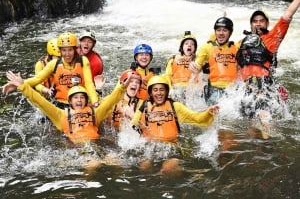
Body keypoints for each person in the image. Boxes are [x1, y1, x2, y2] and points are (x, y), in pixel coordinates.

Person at [3, 70, 136, 144]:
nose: (79, 100)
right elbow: (41, 102)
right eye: (76, 98)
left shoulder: (95, 112)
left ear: (86, 100)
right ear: (70, 101)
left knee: (116, 162)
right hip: (76, 148)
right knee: (93, 164)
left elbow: (112, 100)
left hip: (95, 144)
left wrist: (122, 87)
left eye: (82, 97)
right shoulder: (60, 114)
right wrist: (23, 86)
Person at [130, 75, 219, 174]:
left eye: (162, 90)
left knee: (168, 170)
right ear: (150, 92)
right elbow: (133, 125)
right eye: (155, 90)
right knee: (144, 167)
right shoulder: (144, 107)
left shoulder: (175, 106)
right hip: (151, 148)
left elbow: (197, 118)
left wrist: (208, 112)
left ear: (166, 92)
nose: (159, 93)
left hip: (172, 147)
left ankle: (191, 173)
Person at [236, 0, 300, 120]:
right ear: (251, 24)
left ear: (267, 24)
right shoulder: (241, 43)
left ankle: (272, 137)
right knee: (250, 129)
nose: (258, 23)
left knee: (264, 117)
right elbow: (235, 68)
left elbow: (288, 14)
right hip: (243, 89)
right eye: (255, 21)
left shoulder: (273, 37)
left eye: (261, 21)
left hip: (262, 85)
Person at [2, 32, 99, 109]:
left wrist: (95, 102)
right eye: (64, 50)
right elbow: (37, 79)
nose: (67, 54)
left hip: (79, 103)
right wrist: (17, 85)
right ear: (60, 51)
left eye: (70, 50)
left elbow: (89, 83)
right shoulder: (53, 64)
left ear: (75, 50)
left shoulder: (83, 61)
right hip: (60, 104)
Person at [189, 17, 239, 106]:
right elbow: (197, 65)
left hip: (232, 90)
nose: (221, 33)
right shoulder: (207, 47)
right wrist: (193, 66)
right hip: (214, 89)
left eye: (224, 30)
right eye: (218, 30)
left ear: (230, 33)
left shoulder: (236, 46)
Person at [165, 31, 199, 102]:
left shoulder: (198, 60)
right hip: (176, 89)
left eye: (192, 44)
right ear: (182, 47)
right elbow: (168, 76)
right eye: (186, 44)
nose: (189, 45)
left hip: (192, 90)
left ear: (195, 48)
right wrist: (170, 89)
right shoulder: (173, 60)